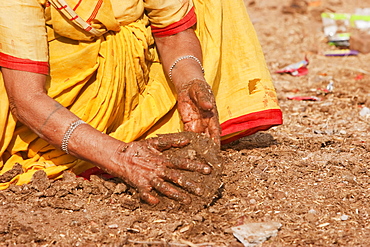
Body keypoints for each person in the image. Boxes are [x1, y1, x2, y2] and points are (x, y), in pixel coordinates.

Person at [0, 0, 282, 204]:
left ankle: (129, 131)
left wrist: (189, 83)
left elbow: (173, 33)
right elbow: (27, 99)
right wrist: (120, 158)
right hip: (55, 94)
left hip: (136, 76)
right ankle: (106, 146)